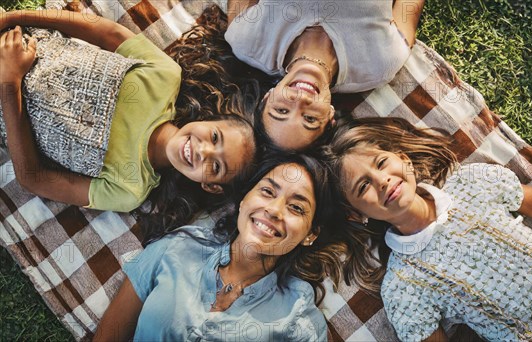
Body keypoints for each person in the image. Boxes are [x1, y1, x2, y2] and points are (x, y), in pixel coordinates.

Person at [325, 117, 532, 340]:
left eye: (381, 163)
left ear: (404, 160)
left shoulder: (473, 183)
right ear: (356, 214)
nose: (382, 181)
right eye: (363, 186)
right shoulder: (402, 286)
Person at [0, 9, 257, 212]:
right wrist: (14, 17)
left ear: (210, 186)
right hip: (17, 43)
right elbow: (105, 32)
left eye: (215, 166)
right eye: (214, 137)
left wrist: (10, 83)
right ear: (210, 119)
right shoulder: (165, 77)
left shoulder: (129, 190)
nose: (203, 151)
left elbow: (33, 178)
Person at [93, 154, 343, 341]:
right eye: (267, 191)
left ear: (310, 234)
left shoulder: (299, 320)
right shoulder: (176, 247)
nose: (274, 210)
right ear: (245, 199)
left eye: (296, 208)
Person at [223, 0, 424, 151]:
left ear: (268, 97)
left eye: (282, 110)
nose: (301, 100)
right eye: (310, 119)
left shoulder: (246, 42)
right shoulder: (379, 66)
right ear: (329, 118)